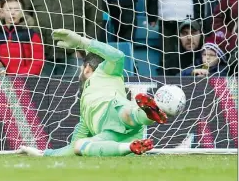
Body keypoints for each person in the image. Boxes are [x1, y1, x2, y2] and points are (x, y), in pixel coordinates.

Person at [19, 29, 169, 157]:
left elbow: (118, 56)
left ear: (87, 68)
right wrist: (44, 153)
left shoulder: (106, 71)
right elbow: (72, 149)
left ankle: (146, 115)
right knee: (79, 146)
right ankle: (132, 143)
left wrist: (81, 42)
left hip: (114, 109)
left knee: (123, 111)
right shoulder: (84, 107)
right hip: (113, 136)